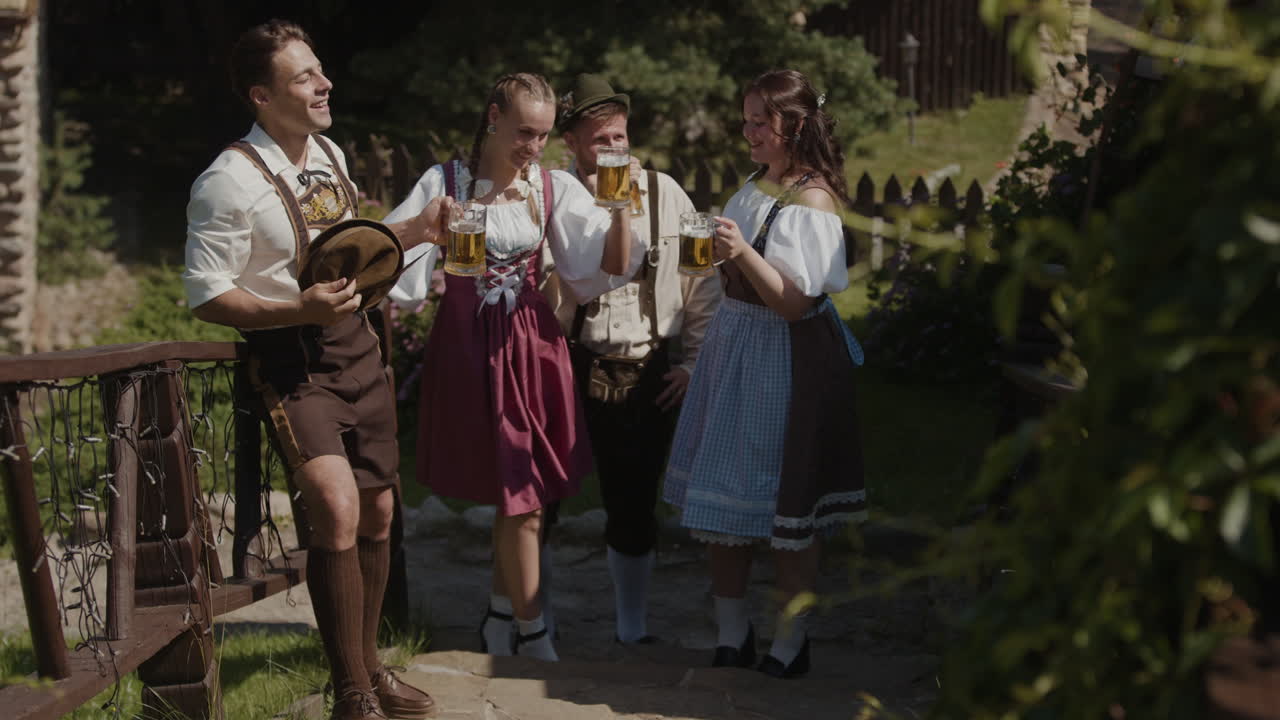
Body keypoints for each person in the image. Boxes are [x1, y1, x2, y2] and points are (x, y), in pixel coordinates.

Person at [183, 20, 443, 720]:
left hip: (358, 350)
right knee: (335, 507)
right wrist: (295, 308)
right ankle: (351, 691)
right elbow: (208, 295)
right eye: (304, 77)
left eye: (321, 70)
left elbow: (352, 251)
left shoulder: (327, 153)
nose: (324, 84)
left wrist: (415, 234)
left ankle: (370, 668)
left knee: (382, 509)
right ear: (261, 95)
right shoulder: (226, 181)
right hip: (291, 364)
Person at [384, 73, 640, 662]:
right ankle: (531, 630)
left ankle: (507, 620)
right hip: (469, 349)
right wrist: (426, 229)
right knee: (516, 493)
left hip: (532, 348)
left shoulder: (549, 189)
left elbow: (604, 266)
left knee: (523, 491)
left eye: (545, 135)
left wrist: (619, 206)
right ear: (493, 116)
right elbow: (395, 269)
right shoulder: (443, 183)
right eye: (525, 131)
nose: (534, 145)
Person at [661, 69, 866, 678]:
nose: (747, 131)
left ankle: (789, 639)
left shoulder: (815, 199)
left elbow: (796, 303)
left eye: (760, 121)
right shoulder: (757, 183)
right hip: (736, 345)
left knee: (787, 506)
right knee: (724, 502)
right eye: (745, 118)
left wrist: (741, 252)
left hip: (786, 355)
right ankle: (732, 632)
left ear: (795, 126)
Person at [547, 74, 721, 644]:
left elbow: (702, 280)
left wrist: (693, 365)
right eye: (600, 141)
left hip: (646, 366)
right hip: (568, 362)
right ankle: (529, 615)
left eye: (619, 136)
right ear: (570, 141)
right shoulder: (552, 195)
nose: (615, 149)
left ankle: (631, 623)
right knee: (542, 497)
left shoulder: (666, 192)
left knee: (633, 499)